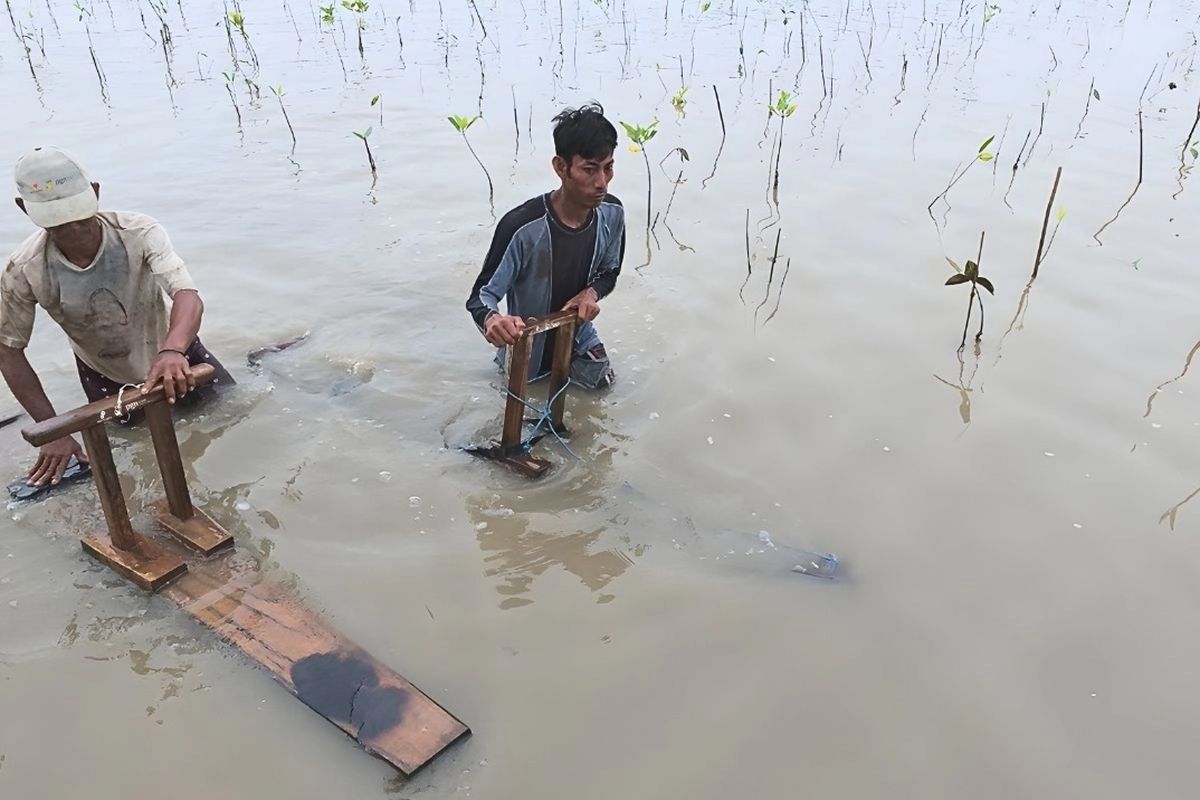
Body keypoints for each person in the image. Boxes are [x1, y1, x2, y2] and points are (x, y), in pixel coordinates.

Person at [0, 145, 234, 488]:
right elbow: (8, 349)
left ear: (95, 192)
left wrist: (172, 351)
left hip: (179, 358)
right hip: (108, 378)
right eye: (60, 224)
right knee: (141, 457)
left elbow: (187, 296)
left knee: (231, 424)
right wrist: (52, 429)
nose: (74, 229)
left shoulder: (139, 232)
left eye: (79, 217)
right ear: (24, 209)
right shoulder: (24, 269)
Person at [466, 102, 626, 390]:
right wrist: (494, 321)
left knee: (605, 394)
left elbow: (609, 272)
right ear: (561, 167)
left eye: (608, 168)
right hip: (527, 348)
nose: (602, 183)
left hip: (579, 336)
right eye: (589, 170)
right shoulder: (521, 228)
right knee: (526, 413)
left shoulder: (613, 213)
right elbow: (480, 298)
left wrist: (590, 294)